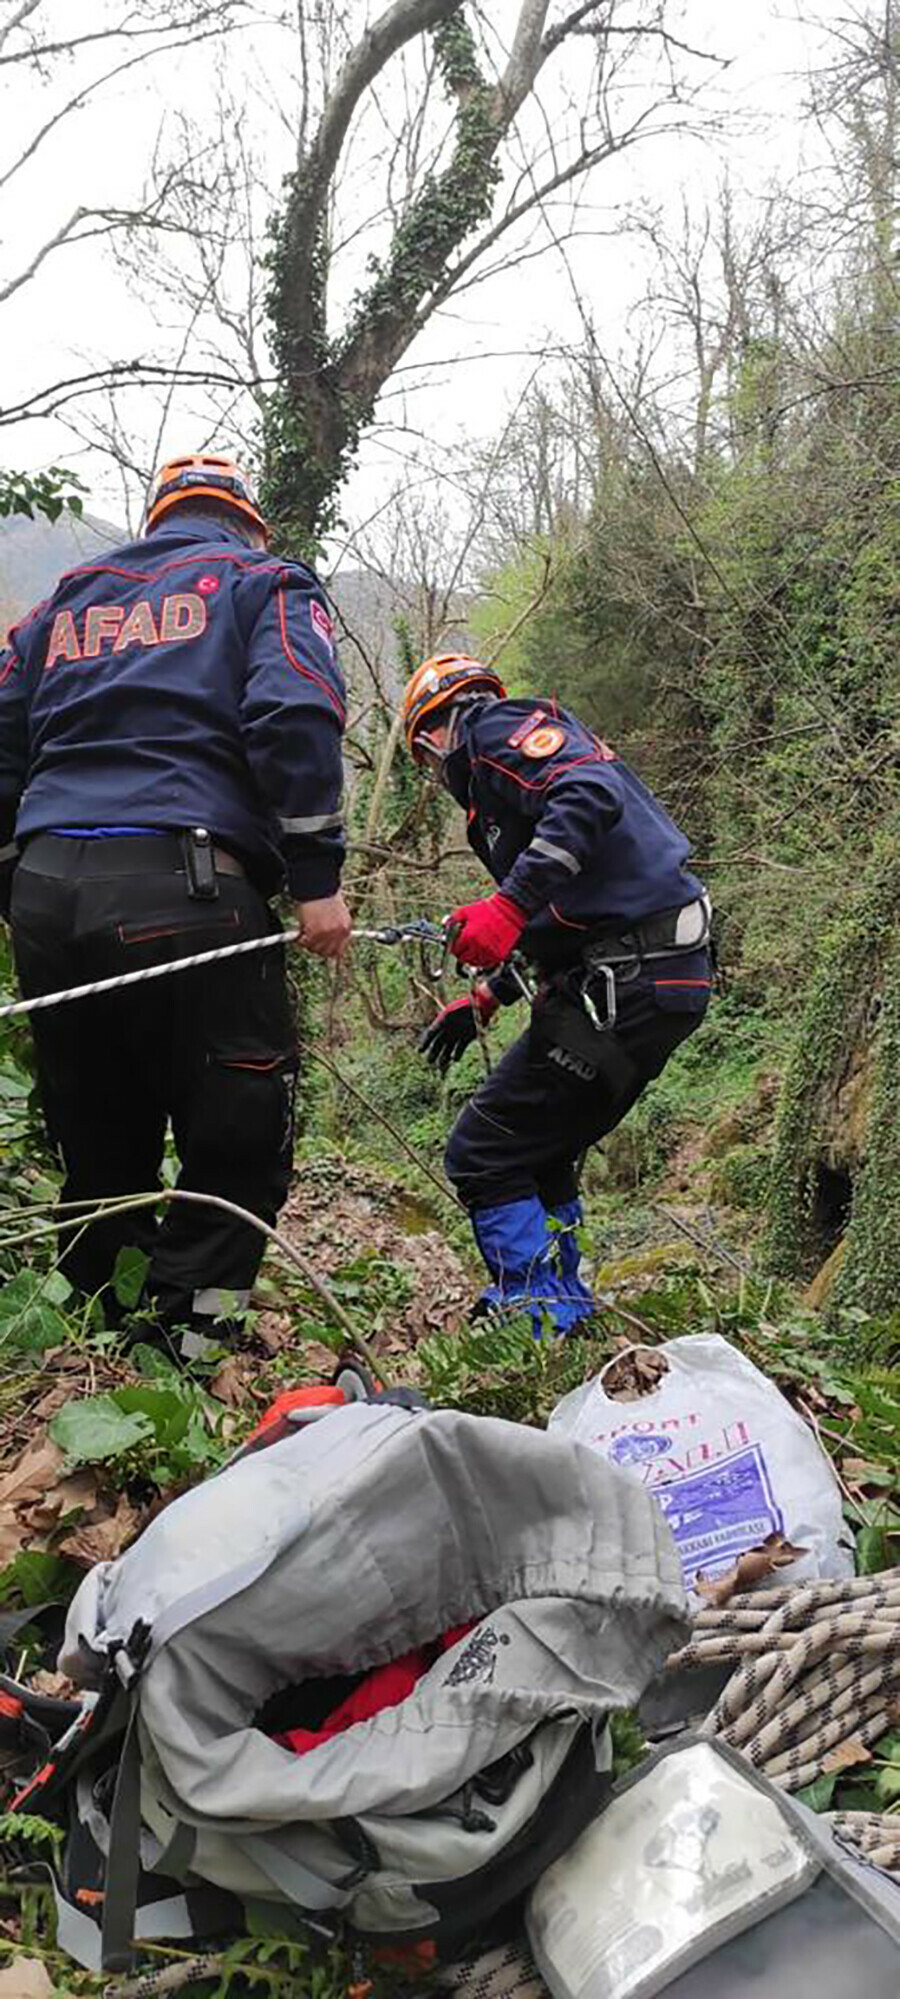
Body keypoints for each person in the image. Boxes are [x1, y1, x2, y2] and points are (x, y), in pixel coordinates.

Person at [0, 452, 351, 1356]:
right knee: (239, 1134)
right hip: (187, 883)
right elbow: (295, 712)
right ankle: (184, 1346)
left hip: (47, 898)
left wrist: (15, 877)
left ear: (159, 519)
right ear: (247, 522)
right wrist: (316, 878)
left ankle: (106, 1336)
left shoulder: (63, 602)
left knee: (99, 1136)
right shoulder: (262, 581)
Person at [404, 654, 712, 1335]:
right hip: (651, 976)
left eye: (426, 760)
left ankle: (538, 1319)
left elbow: (589, 795)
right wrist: (489, 995)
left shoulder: (493, 729)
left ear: (432, 736)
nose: (434, 773)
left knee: (482, 1152)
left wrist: (506, 906)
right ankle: (565, 1309)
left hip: (629, 979)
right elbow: (569, 914)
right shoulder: (500, 801)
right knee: (538, 1152)